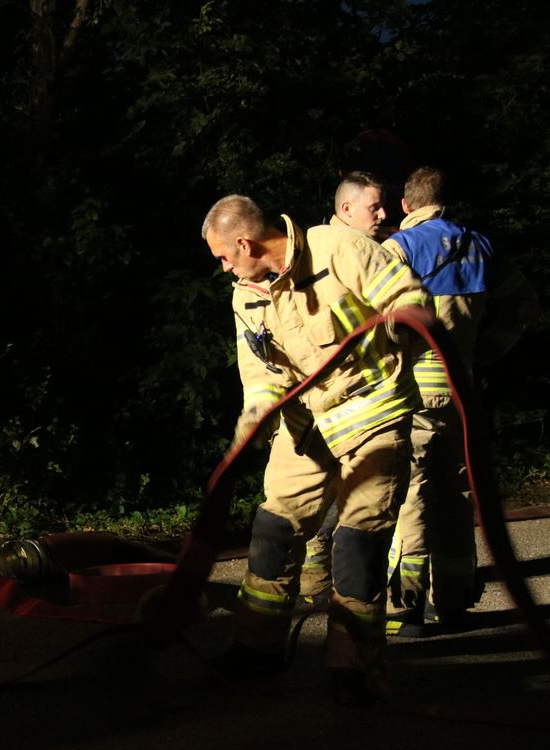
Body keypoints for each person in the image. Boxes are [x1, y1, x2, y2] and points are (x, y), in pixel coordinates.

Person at [203, 194, 431, 704]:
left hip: (373, 414)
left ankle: (353, 668)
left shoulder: (339, 249)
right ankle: (257, 649)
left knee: (357, 543)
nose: (222, 268)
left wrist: (407, 318)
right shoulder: (246, 295)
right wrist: (255, 417)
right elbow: (261, 372)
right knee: (273, 527)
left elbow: (407, 298)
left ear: (245, 242)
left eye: (222, 256)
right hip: (305, 427)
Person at [382, 167, 539, 634]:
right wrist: (486, 351)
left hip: (413, 391)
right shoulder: (481, 246)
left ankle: (404, 606)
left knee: (413, 492)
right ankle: (452, 599)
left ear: (407, 204)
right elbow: (525, 305)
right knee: (456, 492)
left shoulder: (399, 249)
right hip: (463, 387)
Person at [299, 171, 392, 605]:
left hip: (327, 403)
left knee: (330, 495)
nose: (383, 215)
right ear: (346, 209)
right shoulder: (349, 252)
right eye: (375, 207)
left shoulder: (314, 248)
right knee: (352, 500)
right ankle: (337, 592)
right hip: (350, 399)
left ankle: (315, 584)